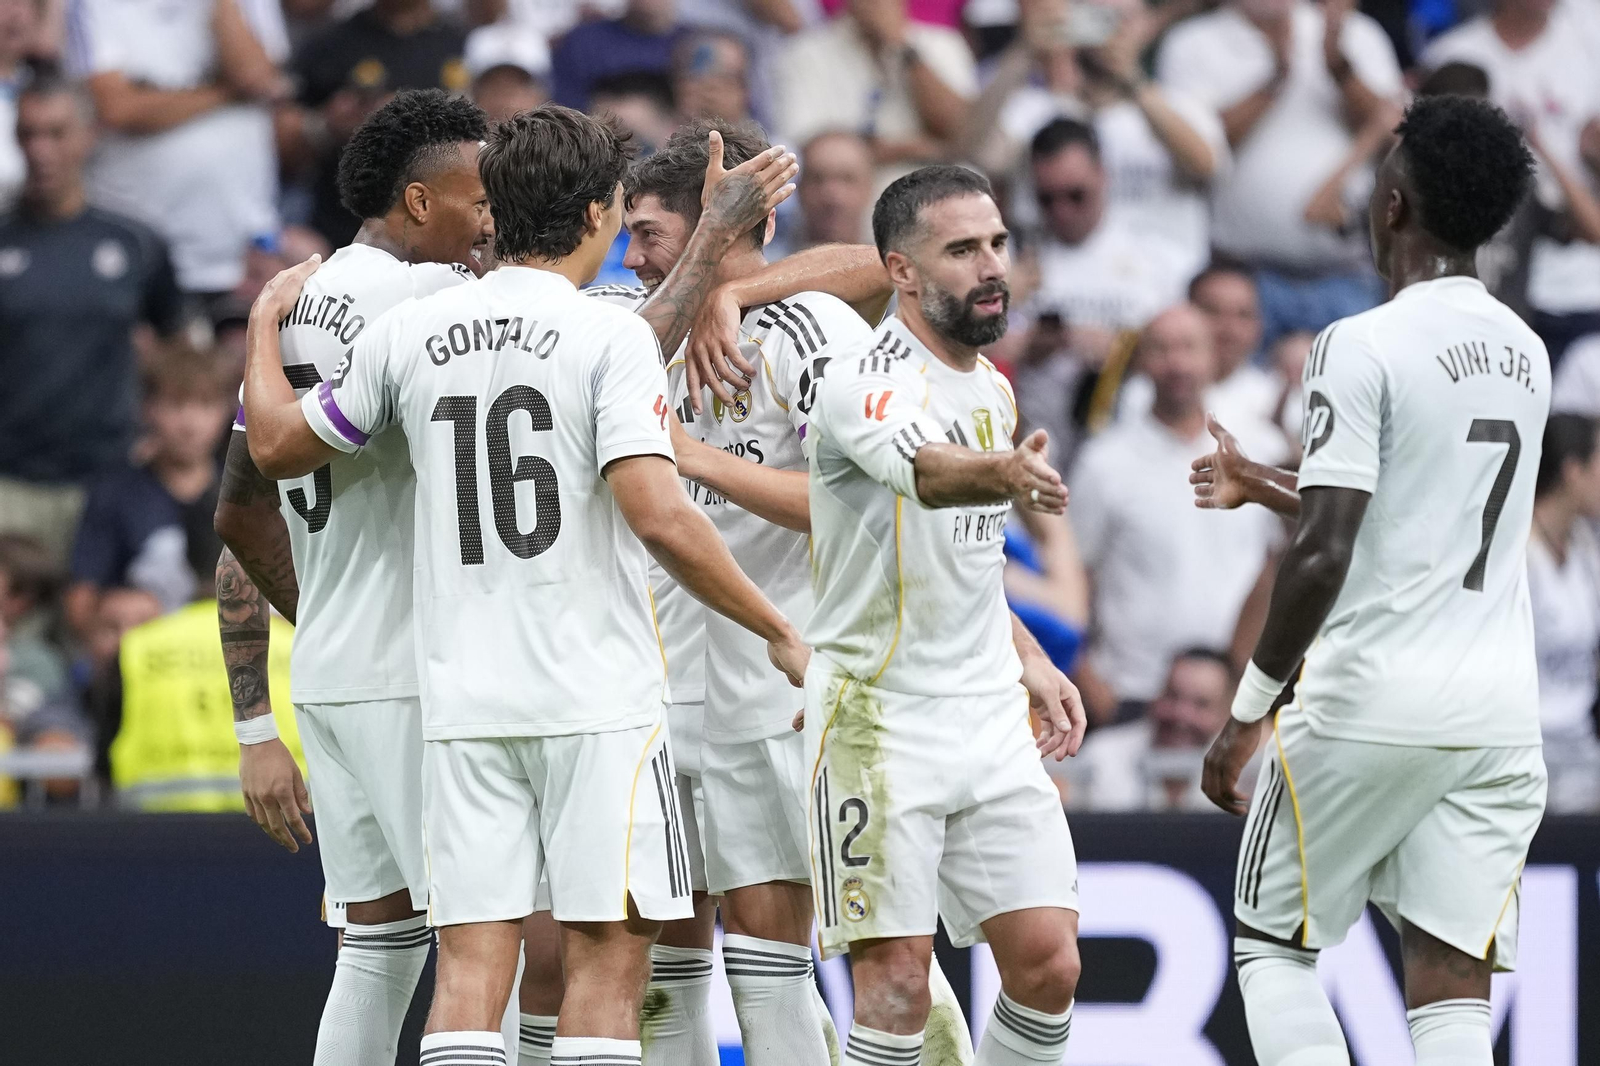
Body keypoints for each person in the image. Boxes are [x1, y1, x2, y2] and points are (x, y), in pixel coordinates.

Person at [241, 103, 810, 1066]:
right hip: (595, 703)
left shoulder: (411, 332)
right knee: (606, 965)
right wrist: (779, 630)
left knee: (470, 971)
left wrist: (263, 328)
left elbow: (273, 447)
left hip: (461, 703)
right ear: (594, 215)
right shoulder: (610, 338)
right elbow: (660, 515)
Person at [1194, 95, 1546, 1065]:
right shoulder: (1525, 350)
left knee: (1273, 945)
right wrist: (1264, 481)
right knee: (1451, 983)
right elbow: (1417, 509)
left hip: (1370, 699)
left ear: (1393, 204)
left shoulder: (1358, 343)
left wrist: (1247, 712)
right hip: (1496, 715)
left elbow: (1325, 550)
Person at [214, 89, 493, 1066]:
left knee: (378, 947)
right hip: (415, 672)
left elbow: (237, 514)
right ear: (419, 202)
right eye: (478, 199)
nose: (489, 220)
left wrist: (321, 622)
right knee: (483, 943)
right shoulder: (428, 303)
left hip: (332, 672)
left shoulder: (296, 301)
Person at [803, 164, 1085, 1066]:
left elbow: (969, 563)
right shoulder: (864, 380)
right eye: (961, 250)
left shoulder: (992, 388)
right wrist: (1003, 472)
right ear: (902, 271)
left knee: (1049, 965)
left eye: (997, 243)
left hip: (989, 715)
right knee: (896, 989)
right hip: (878, 721)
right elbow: (924, 471)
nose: (991, 265)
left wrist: (1029, 656)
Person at [1068, 303, 1281, 722]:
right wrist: (1090, 682)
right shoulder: (1103, 462)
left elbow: (1275, 567)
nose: (1177, 363)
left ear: (1213, 355)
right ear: (1140, 362)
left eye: (1189, 347)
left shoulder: (1260, 450)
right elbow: (1075, 574)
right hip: (1128, 693)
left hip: (1239, 700)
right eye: (1161, 349)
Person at [0, 76, 182, 563]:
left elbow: (178, 347)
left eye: (56, 133)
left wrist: (159, 434)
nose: (40, 150)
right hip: (9, 481)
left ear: (88, 136)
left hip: (107, 477)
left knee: (102, 612)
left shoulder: (135, 243)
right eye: (28, 134)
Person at [1157, 0, 1403, 345]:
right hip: (1241, 282)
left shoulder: (1356, 32)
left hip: (1347, 275)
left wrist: (1340, 69)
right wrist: (1274, 82)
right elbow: (1194, 153)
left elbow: (1397, 135)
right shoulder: (1191, 42)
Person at [67, 0, 289, 303]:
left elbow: (253, 76)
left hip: (246, 255)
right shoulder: (94, 5)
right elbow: (118, 109)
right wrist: (226, 92)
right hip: (142, 253)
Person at [1421, 0, 1600, 360]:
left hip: (1579, 285)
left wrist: (1578, 150)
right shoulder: (1452, 53)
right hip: (1472, 299)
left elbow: (1592, 230)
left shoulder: (1589, 43)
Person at [64, 343, 231, 636]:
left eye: (205, 405)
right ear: (148, 409)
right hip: (142, 651)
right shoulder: (114, 493)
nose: (190, 424)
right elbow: (80, 601)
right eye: (175, 405)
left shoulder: (249, 494)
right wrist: (110, 619)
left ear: (226, 411)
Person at [288, 0, 470, 249]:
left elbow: (494, 125)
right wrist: (327, 125)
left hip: (442, 228)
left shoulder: (463, 41)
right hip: (344, 228)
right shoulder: (332, 42)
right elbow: (282, 137)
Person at [1024, 118, 1189, 362]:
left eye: (1076, 195)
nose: (1062, 211)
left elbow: (1185, 352)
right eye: (1047, 199)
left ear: (1102, 174)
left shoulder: (1159, 259)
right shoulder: (1010, 259)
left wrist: (1123, 351)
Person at [775, 0, 977, 190]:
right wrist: (912, 149)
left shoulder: (945, 43)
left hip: (941, 189)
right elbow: (814, 154)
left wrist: (903, 47)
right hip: (853, 200)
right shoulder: (805, 53)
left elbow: (963, 132)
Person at [1526, 414, 1600, 812]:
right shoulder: (1520, 554)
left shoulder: (1586, 545)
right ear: (1574, 472)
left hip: (1583, 748)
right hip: (1531, 751)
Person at [1069, 647, 1235, 812]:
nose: (1181, 715)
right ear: (1156, 697)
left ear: (1225, 715)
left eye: (1201, 704)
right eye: (1172, 695)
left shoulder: (1242, 772)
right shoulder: (1102, 756)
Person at [550, 0, 685, 112]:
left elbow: (693, 110)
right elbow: (564, 107)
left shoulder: (692, 43)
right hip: (598, 132)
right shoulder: (584, 41)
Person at [784, 131, 876, 252]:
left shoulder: (892, 261)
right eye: (817, 179)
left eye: (847, 179)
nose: (833, 196)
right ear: (798, 188)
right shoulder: (769, 261)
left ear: (868, 188)